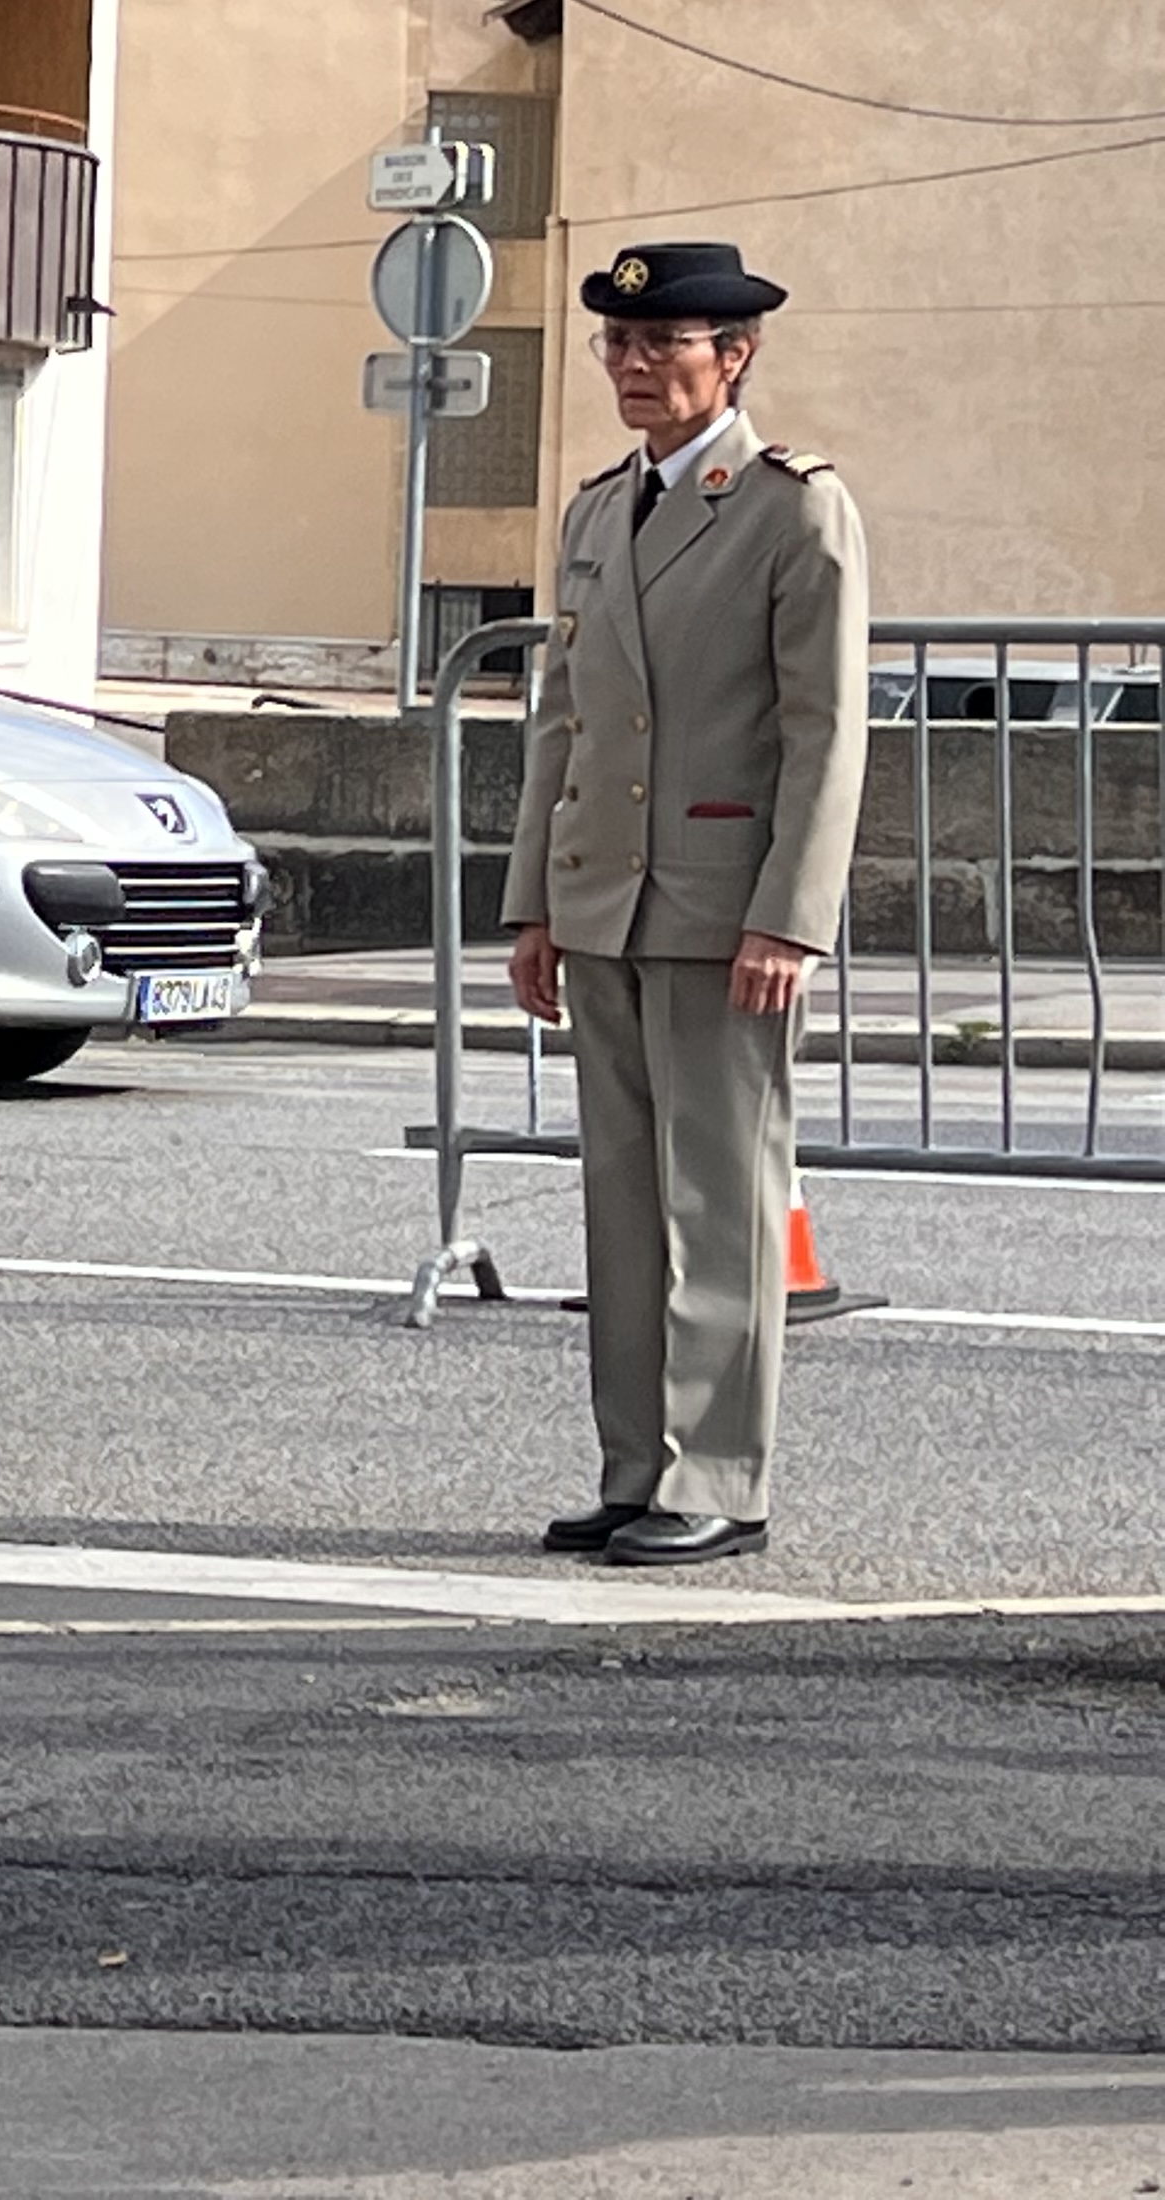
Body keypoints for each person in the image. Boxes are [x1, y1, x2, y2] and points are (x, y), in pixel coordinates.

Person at [502, 241, 866, 1568]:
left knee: (717, 1199)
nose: (636, 367)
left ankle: (718, 1474)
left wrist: (791, 915)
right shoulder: (598, 514)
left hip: (723, 906)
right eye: (619, 344)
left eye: (666, 345)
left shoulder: (791, 509)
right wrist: (532, 902)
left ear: (736, 357)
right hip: (603, 903)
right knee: (621, 1201)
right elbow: (566, 723)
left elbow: (828, 734)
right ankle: (634, 1466)